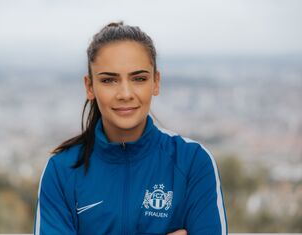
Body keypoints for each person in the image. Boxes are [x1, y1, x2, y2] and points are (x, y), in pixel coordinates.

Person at [33, 22, 228, 235]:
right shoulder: (62, 171)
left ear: (156, 82)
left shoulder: (192, 162)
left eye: (139, 79)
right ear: (90, 87)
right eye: (109, 80)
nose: (125, 93)